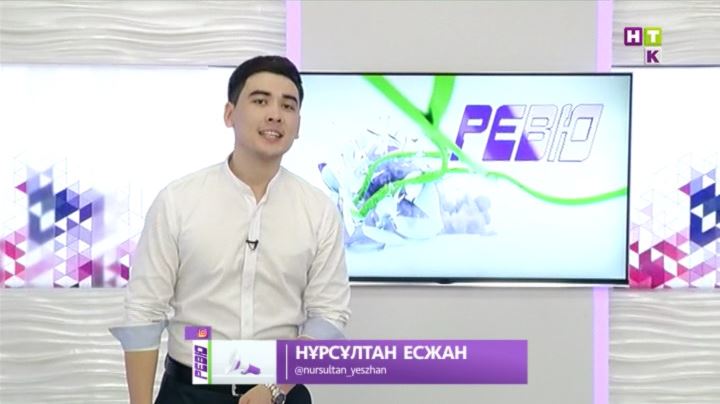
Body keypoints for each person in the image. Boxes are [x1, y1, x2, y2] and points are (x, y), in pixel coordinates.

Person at [110, 55, 352, 404]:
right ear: (229, 114)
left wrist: (275, 387)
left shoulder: (318, 210)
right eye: (260, 101)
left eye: (288, 105)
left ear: (298, 125)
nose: (275, 114)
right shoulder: (179, 200)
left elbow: (328, 316)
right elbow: (144, 312)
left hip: (280, 392)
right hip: (189, 392)